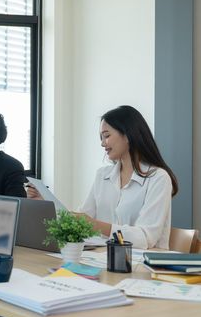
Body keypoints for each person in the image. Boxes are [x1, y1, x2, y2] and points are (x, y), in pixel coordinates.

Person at [27, 105, 178, 249]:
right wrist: (44, 205)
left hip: (143, 266)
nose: (102, 144)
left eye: (106, 136)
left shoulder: (158, 178)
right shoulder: (102, 175)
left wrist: (94, 224)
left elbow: (146, 238)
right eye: (101, 138)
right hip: (103, 260)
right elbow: (80, 220)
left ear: (128, 135)